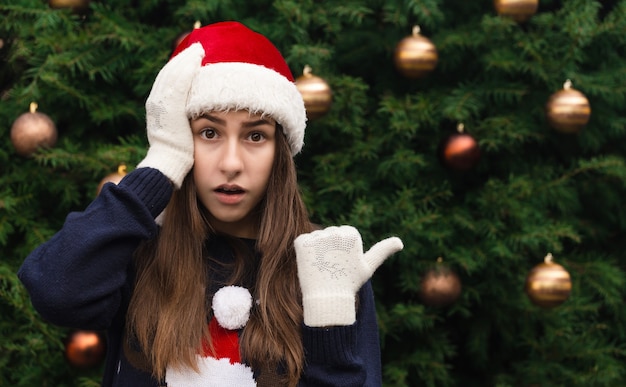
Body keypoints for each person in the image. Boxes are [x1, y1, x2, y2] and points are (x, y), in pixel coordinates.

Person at [18, 21, 403, 387]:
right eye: (208, 132)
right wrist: (163, 164)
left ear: (280, 152)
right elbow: (55, 290)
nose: (231, 163)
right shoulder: (138, 252)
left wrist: (329, 329)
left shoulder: (324, 264)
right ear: (181, 140)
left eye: (255, 136)